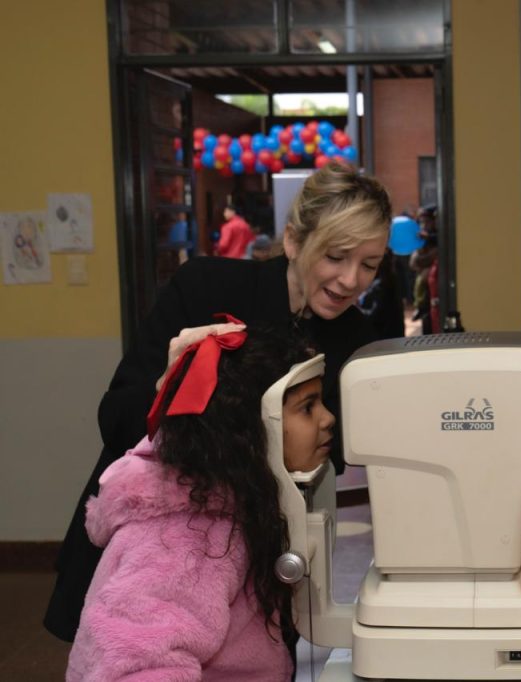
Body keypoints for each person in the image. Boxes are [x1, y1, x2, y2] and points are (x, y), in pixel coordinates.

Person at [46, 162, 392, 642]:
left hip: (252, 564)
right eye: (336, 256)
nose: (352, 280)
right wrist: (172, 385)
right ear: (294, 241)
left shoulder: (354, 340)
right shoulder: (206, 286)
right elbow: (118, 417)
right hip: (151, 547)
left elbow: (325, 458)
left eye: (370, 265)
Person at [66, 323, 332, 680]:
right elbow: (135, 665)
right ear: (254, 429)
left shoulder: (228, 502)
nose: (328, 418)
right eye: (307, 408)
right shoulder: (187, 536)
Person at [358, 248, 406, 339]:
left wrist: (356, 309)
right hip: (392, 334)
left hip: (383, 336)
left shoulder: (381, 285)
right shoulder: (390, 279)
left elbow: (374, 315)